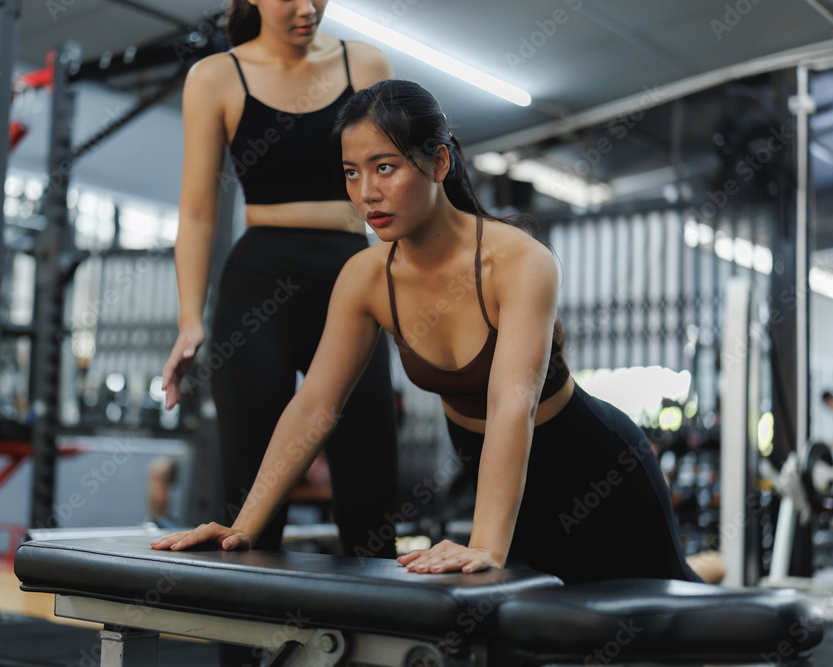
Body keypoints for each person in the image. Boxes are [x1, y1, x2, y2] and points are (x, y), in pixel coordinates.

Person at [154, 79, 702, 586]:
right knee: (545, 640)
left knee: (668, 637)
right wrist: (242, 525)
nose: (366, 192)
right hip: (504, 481)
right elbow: (314, 406)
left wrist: (484, 543)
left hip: (596, 468)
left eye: (384, 167)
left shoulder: (519, 261)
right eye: (351, 172)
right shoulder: (366, 278)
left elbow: (512, 404)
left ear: (439, 162)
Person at [160, 2, 398, 558]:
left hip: (353, 278)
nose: (305, 6)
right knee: (251, 497)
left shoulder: (365, 64)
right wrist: (189, 320)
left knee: (371, 493)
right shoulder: (216, 77)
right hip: (258, 284)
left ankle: (375, 643)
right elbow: (196, 214)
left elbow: (401, 179)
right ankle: (248, 648)